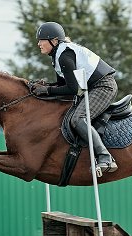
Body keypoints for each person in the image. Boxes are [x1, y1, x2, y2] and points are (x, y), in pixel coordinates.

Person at [33, 21, 118, 173]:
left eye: (42, 40)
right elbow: (62, 85)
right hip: (92, 87)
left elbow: (73, 89)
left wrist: (47, 90)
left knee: (78, 119)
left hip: (103, 86)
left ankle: (105, 157)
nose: (38, 43)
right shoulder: (59, 54)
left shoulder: (64, 56)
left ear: (54, 41)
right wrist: (45, 86)